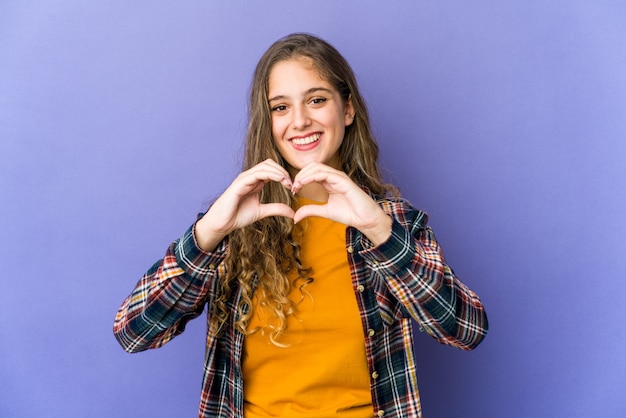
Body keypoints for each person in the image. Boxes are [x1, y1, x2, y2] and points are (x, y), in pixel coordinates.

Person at [113, 33, 488, 418]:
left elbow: (465, 329)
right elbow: (134, 332)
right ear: (268, 121)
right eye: (280, 107)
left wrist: (380, 230)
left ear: (347, 110)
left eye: (317, 99)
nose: (300, 121)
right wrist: (208, 234)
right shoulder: (236, 223)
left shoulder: (395, 223)